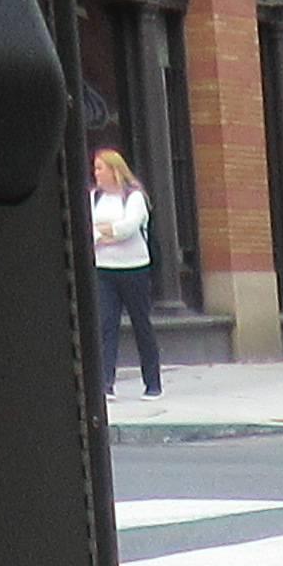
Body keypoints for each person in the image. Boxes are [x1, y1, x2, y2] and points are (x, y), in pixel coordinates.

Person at [90, 146, 161, 401]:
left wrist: (105, 231)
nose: (95, 173)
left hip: (134, 269)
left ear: (113, 169)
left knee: (141, 324)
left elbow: (128, 228)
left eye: (99, 168)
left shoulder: (134, 197)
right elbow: (88, 230)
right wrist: (103, 233)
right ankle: (106, 383)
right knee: (106, 326)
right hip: (104, 270)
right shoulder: (94, 198)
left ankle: (152, 383)